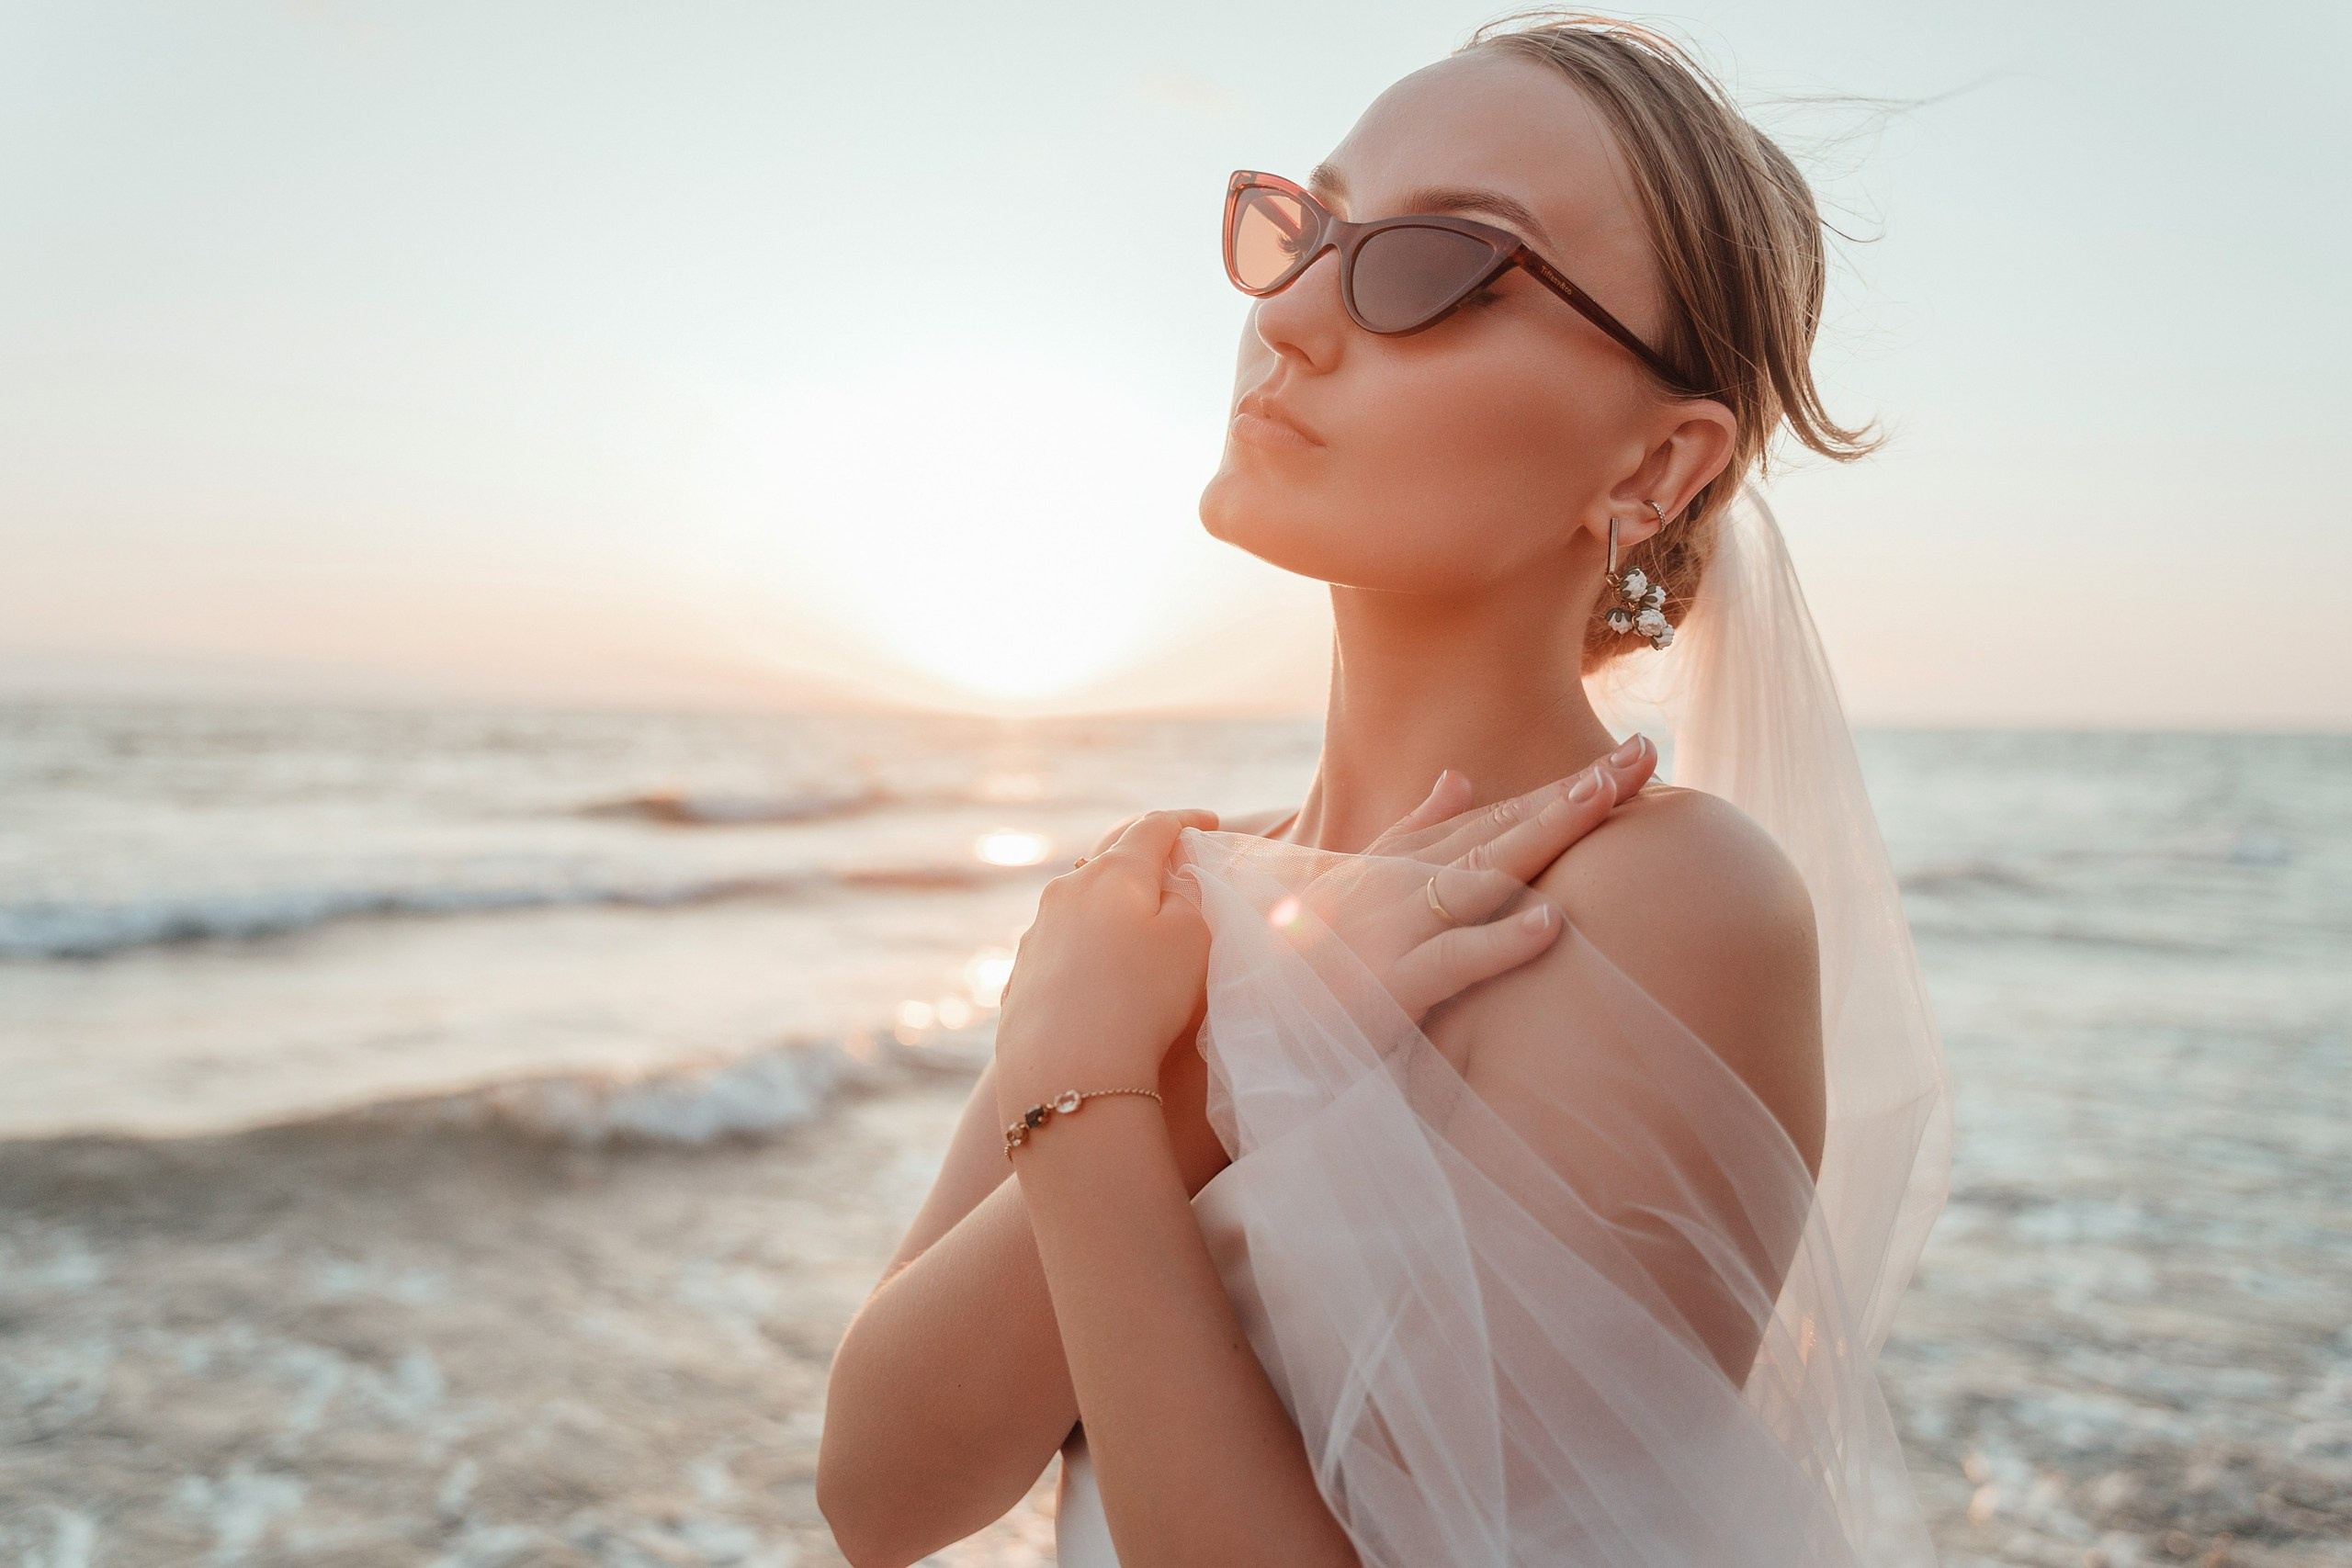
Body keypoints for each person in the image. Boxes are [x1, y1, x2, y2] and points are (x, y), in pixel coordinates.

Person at [818, 13, 1951, 1565]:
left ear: (1655, 469)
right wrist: (1212, 1062)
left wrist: (1105, 1088)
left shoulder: (1655, 903)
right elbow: (881, 1496)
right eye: (1310, 230)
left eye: (1434, 267)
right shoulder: (1161, 905)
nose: (1287, 318)